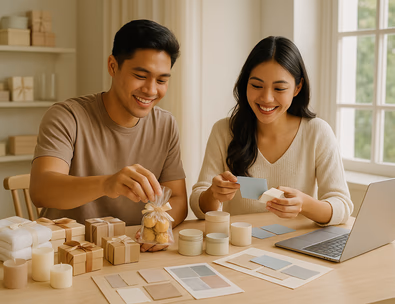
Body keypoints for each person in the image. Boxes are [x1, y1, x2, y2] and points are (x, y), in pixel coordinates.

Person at [30, 19, 188, 251]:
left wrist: (157, 229)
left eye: (162, 80)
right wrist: (107, 184)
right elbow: (41, 191)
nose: (151, 90)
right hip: (69, 252)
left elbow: (178, 200)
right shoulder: (67, 116)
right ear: (113, 66)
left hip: (132, 249)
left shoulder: (165, 124)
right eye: (141, 76)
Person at [190, 36, 353, 226]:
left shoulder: (317, 132)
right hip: (240, 246)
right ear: (245, 84)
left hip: (295, 246)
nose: (266, 98)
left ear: (297, 88)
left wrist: (305, 204)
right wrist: (213, 194)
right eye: (257, 86)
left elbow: (342, 207)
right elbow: (198, 206)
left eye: (279, 88)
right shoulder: (224, 131)